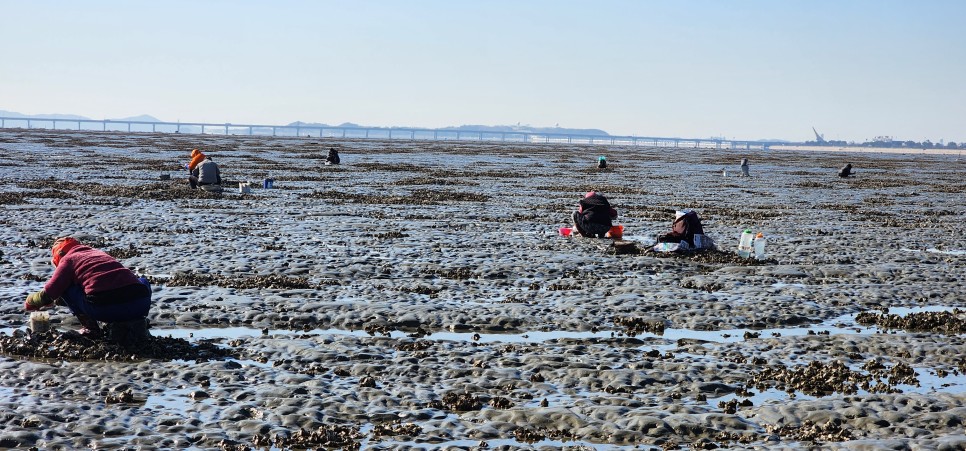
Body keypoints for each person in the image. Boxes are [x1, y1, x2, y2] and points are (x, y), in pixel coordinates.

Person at [24, 237, 152, 341]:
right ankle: (137, 320)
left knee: (66, 287)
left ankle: (90, 329)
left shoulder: (68, 259)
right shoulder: (98, 253)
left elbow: (48, 294)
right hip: (140, 305)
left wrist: (30, 301)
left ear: (59, 255)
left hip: (104, 309)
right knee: (143, 282)